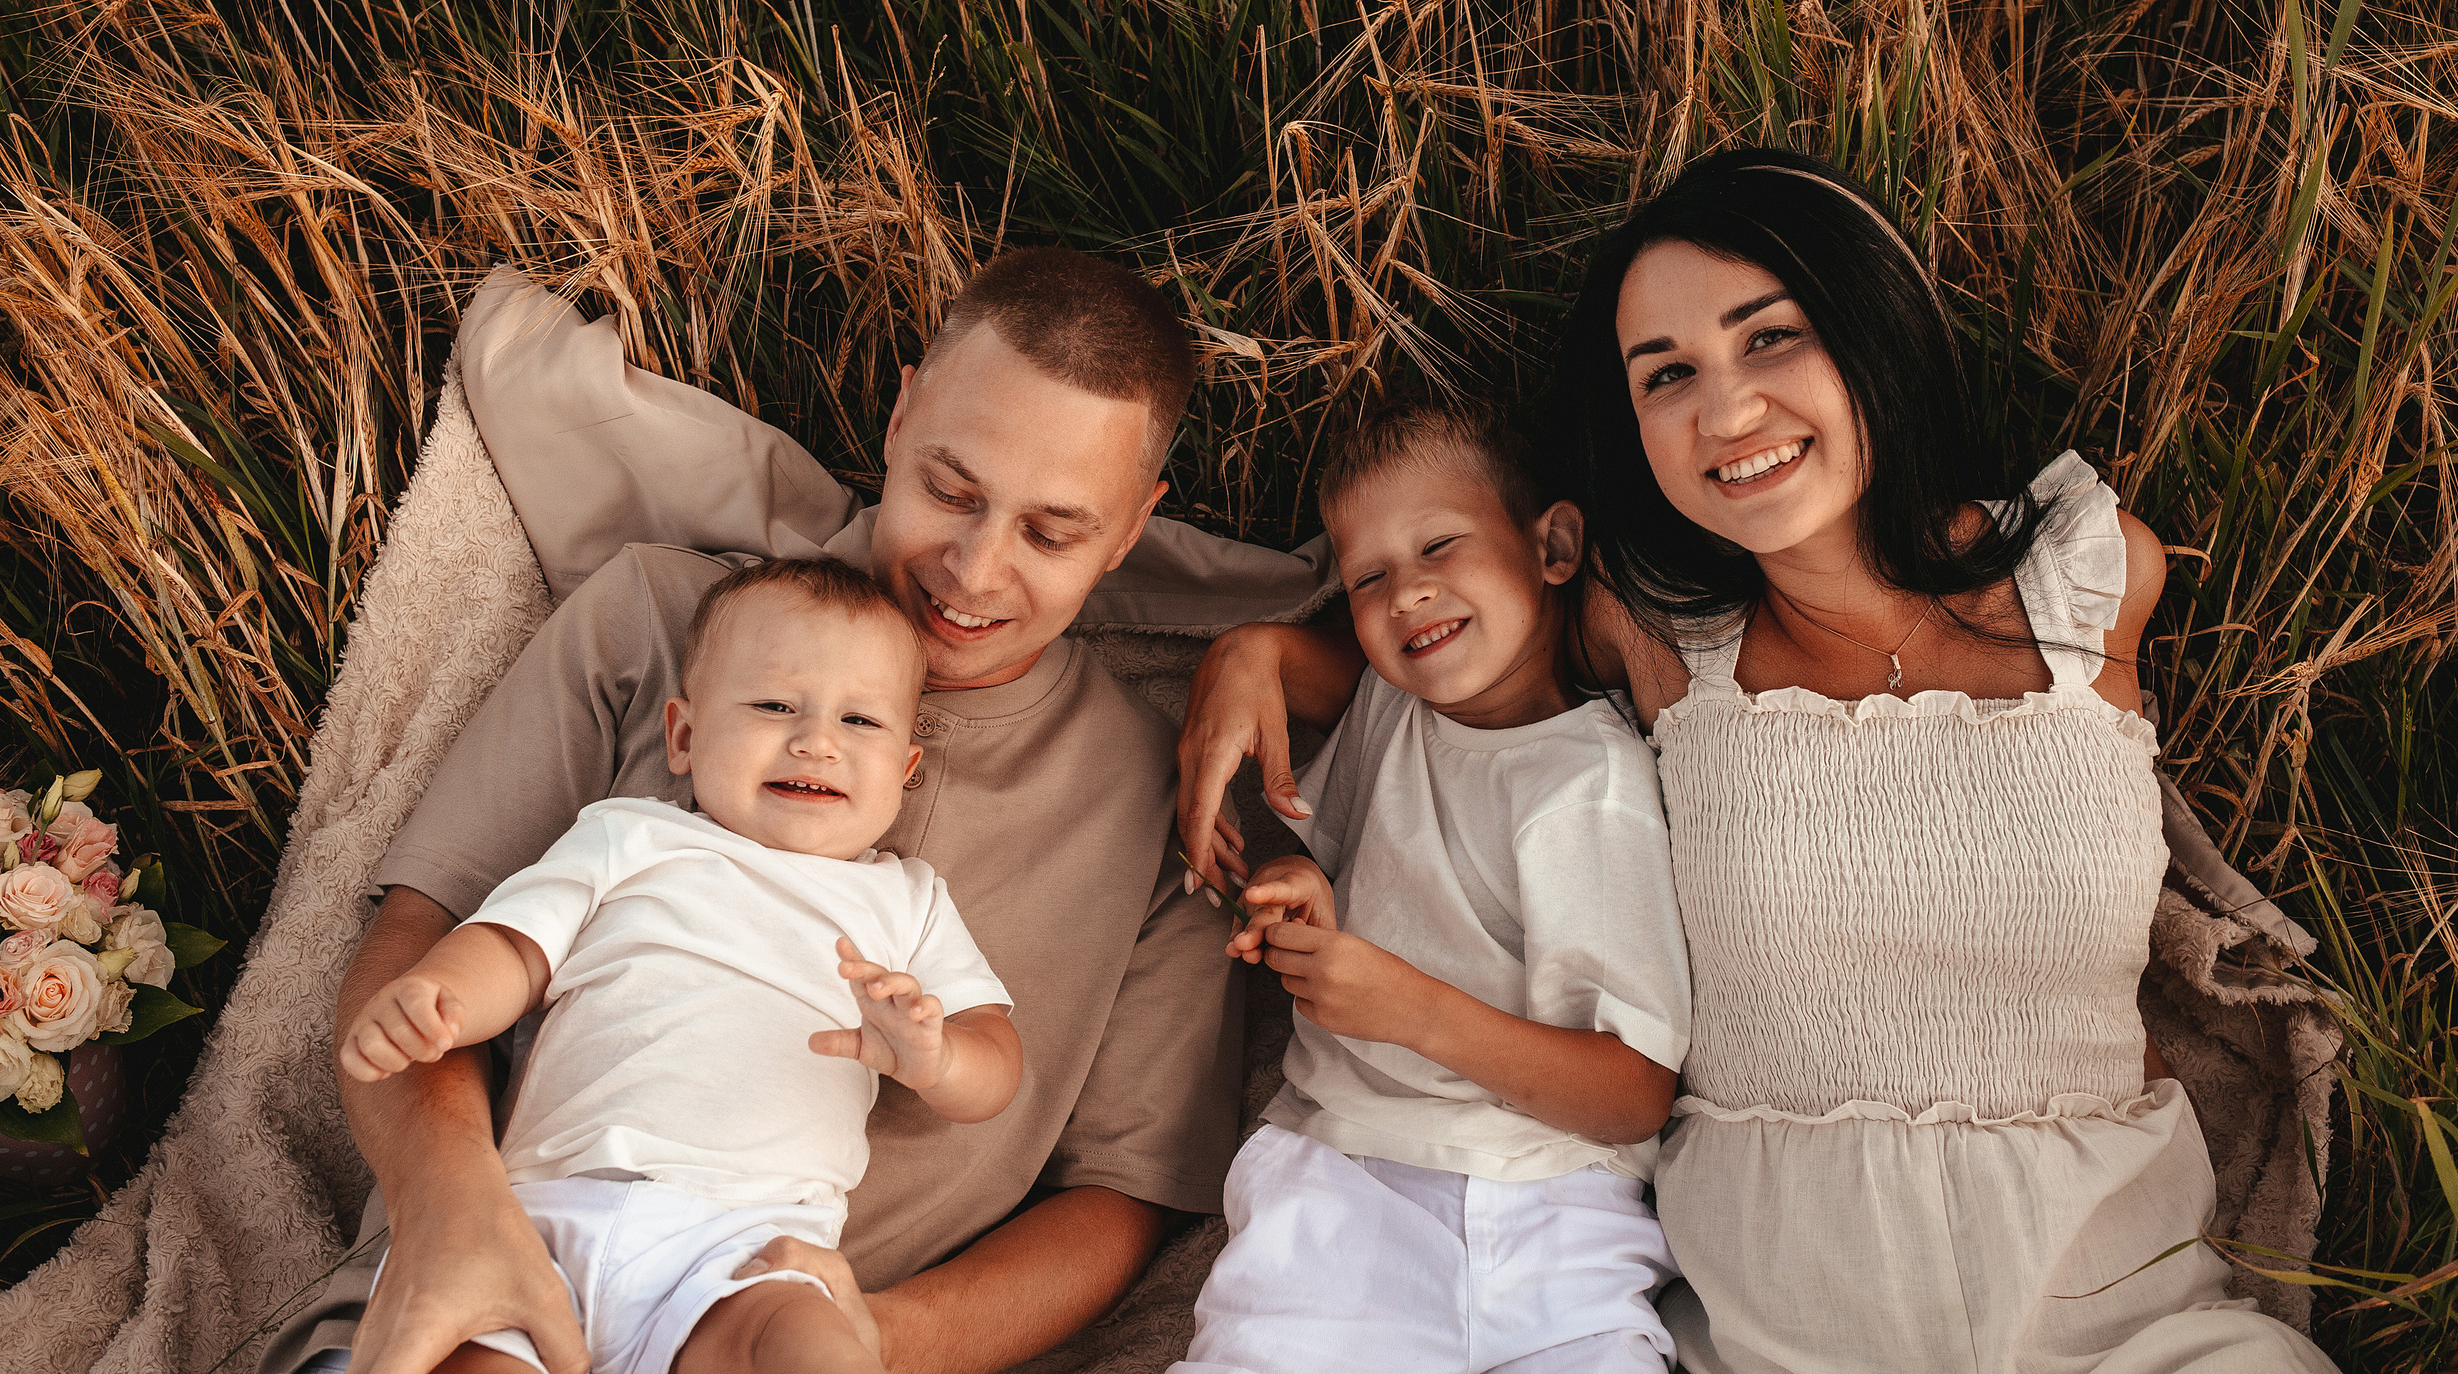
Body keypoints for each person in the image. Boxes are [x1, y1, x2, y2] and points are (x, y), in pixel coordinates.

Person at [1179, 149, 2341, 1373]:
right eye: (1667, 374)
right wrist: (1257, 655)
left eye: (1769, 338)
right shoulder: (1647, 625)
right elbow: (1454, 661)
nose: (1726, 413)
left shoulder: (2087, 577)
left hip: (2119, 1302)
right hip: (1788, 1324)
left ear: (1869, 329)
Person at [268, 248, 1254, 1374]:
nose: (975, 571)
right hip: (485, 1296)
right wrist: (452, 1212)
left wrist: (873, 1335)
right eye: (950, 490)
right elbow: (423, 943)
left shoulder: (1167, 806)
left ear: (1130, 532)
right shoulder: (655, 619)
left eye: (1051, 533)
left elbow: (1124, 1197)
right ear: (899, 420)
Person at [339, 556, 1021, 1374]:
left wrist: (938, 1058)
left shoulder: (906, 900)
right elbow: (517, 948)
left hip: (745, 1251)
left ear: (906, 772)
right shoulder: (627, 835)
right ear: (685, 736)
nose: (816, 741)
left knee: (808, 1348)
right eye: (774, 705)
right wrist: (441, 995)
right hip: (536, 1223)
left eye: (861, 720)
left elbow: (996, 1056)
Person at [1173, 397, 1689, 1374]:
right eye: (1368, 577)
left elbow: (1632, 1094)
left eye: (1439, 545)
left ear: (1552, 547)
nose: (1406, 593)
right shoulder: (1391, 708)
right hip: (1339, 1189)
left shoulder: (1588, 788)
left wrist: (1412, 1010)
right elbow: (1347, 867)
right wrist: (1294, 888)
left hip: (1552, 1212)